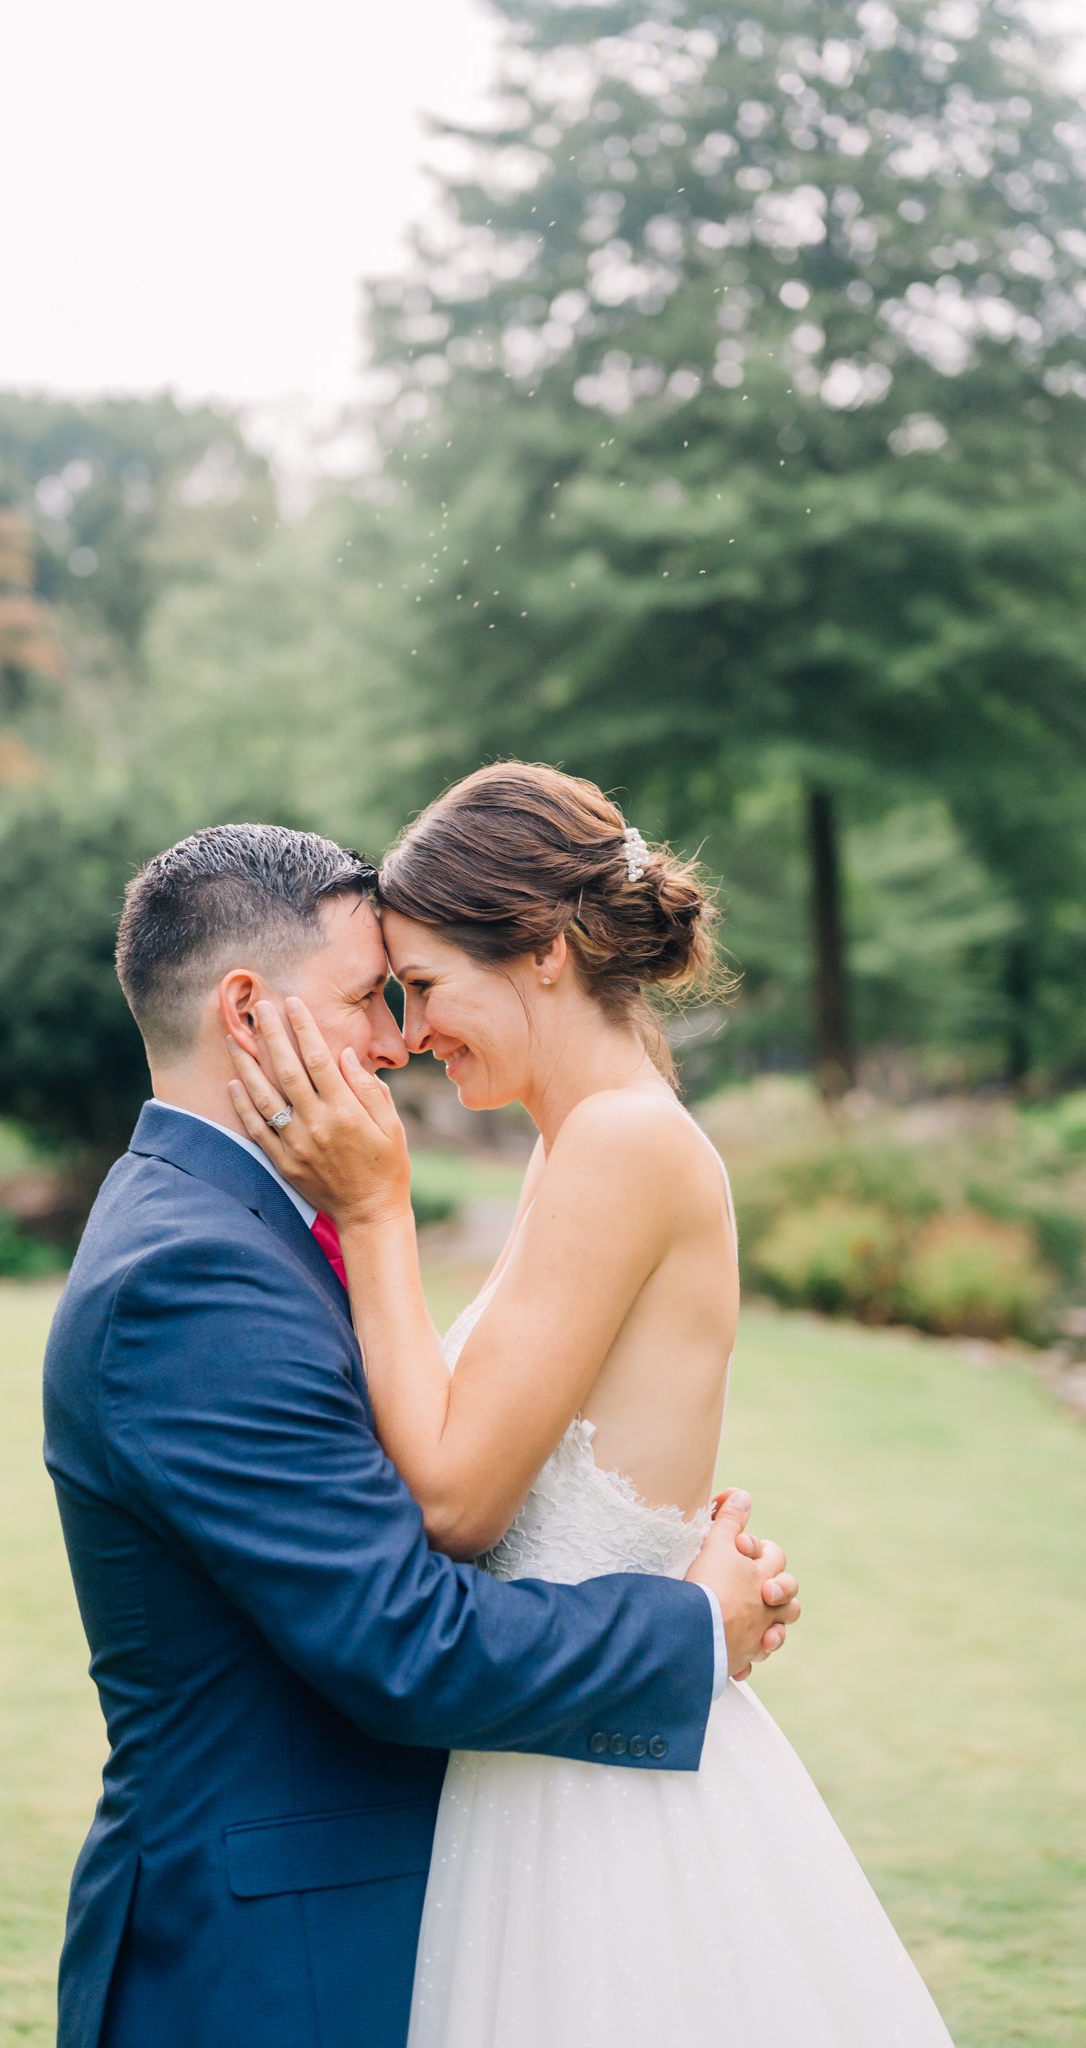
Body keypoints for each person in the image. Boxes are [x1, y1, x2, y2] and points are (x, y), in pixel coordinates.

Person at [228, 764, 956, 2048]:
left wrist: (374, 1208)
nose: (411, 1030)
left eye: (429, 984)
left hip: (594, 1807)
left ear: (548, 950)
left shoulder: (622, 1142)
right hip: (552, 1748)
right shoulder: (583, 1143)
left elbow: (455, 1500)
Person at [42, 820, 799, 2048]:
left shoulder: (245, 1228)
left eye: (413, 992)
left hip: (412, 1894)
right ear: (248, 1012)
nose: (398, 1039)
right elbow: (403, 1639)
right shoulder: (189, 1276)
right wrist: (688, 1624)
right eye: (367, 997)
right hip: (269, 1959)